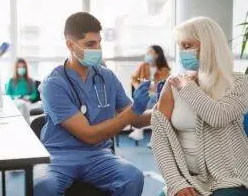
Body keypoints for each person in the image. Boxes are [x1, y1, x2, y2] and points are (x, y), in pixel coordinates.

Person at [34, 12, 151, 196]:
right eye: (90, 44)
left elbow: (136, 120)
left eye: (99, 43)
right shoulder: (53, 84)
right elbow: (89, 135)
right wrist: (134, 110)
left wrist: (162, 109)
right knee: (44, 187)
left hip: (98, 155)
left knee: (133, 177)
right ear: (70, 45)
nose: (97, 49)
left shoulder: (107, 77)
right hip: (59, 156)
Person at [151, 16, 248, 196]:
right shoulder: (172, 85)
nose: (182, 52)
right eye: (180, 47)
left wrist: (188, 87)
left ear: (210, 46)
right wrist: (176, 182)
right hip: (186, 177)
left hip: (228, 176)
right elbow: (159, 137)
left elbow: (218, 117)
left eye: (187, 46)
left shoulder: (238, 82)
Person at [129, 45, 170, 142]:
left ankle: (139, 130)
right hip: (146, 93)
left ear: (157, 55)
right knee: (151, 101)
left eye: (149, 52)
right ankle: (154, 138)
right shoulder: (143, 66)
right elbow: (134, 79)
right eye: (146, 53)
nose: (147, 55)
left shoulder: (164, 69)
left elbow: (163, 86)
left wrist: (154, 87)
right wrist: (139, 87)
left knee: (152, 99)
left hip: (156, 95)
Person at [5, 58, 38, 123]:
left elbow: (34, 94)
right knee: (21, 105)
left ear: (26, 68)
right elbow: (7, 95)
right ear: (16, 68)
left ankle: (26, 124)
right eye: (19, 67)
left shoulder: (30, 81)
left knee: (24, 106)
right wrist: (15, 97)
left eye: (23, 67)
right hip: (15, 102)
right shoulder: (11, 80)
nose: (21, 69)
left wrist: (29, 97)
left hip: (26, 102)